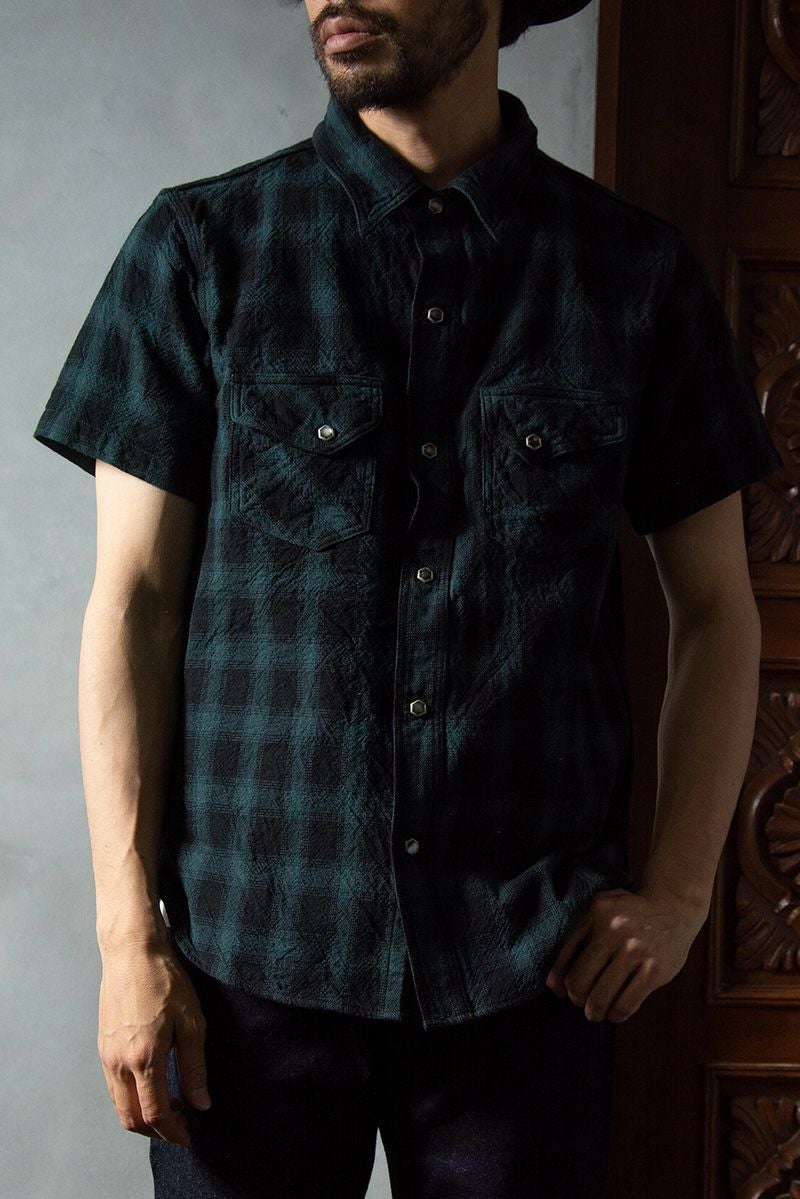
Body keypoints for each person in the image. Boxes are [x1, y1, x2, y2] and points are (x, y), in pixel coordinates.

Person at [33, 0, 783, 1195]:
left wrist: (681, 891)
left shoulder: (630, 274)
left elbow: (713, 607)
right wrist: (130, 941)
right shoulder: (202, 247)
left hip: (527, 972)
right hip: (248, 971)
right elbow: (134, 605)